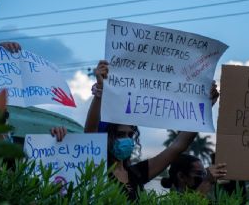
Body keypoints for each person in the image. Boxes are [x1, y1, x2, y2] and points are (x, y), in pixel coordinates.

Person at [84, 60, 219, 200]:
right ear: (106, 136)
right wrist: (100, 90)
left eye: (130, 135)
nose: (127, 139)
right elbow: (90, 135)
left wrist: (205, 107)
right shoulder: (98, 171)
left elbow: (177, 146)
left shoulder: (136, 173)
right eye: (120, 134)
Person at [161, 154, 227, 196]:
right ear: (181, 176)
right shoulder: (175, 199)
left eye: (204, 174)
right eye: (198, 173)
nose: (202, 177)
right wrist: (207, 181)